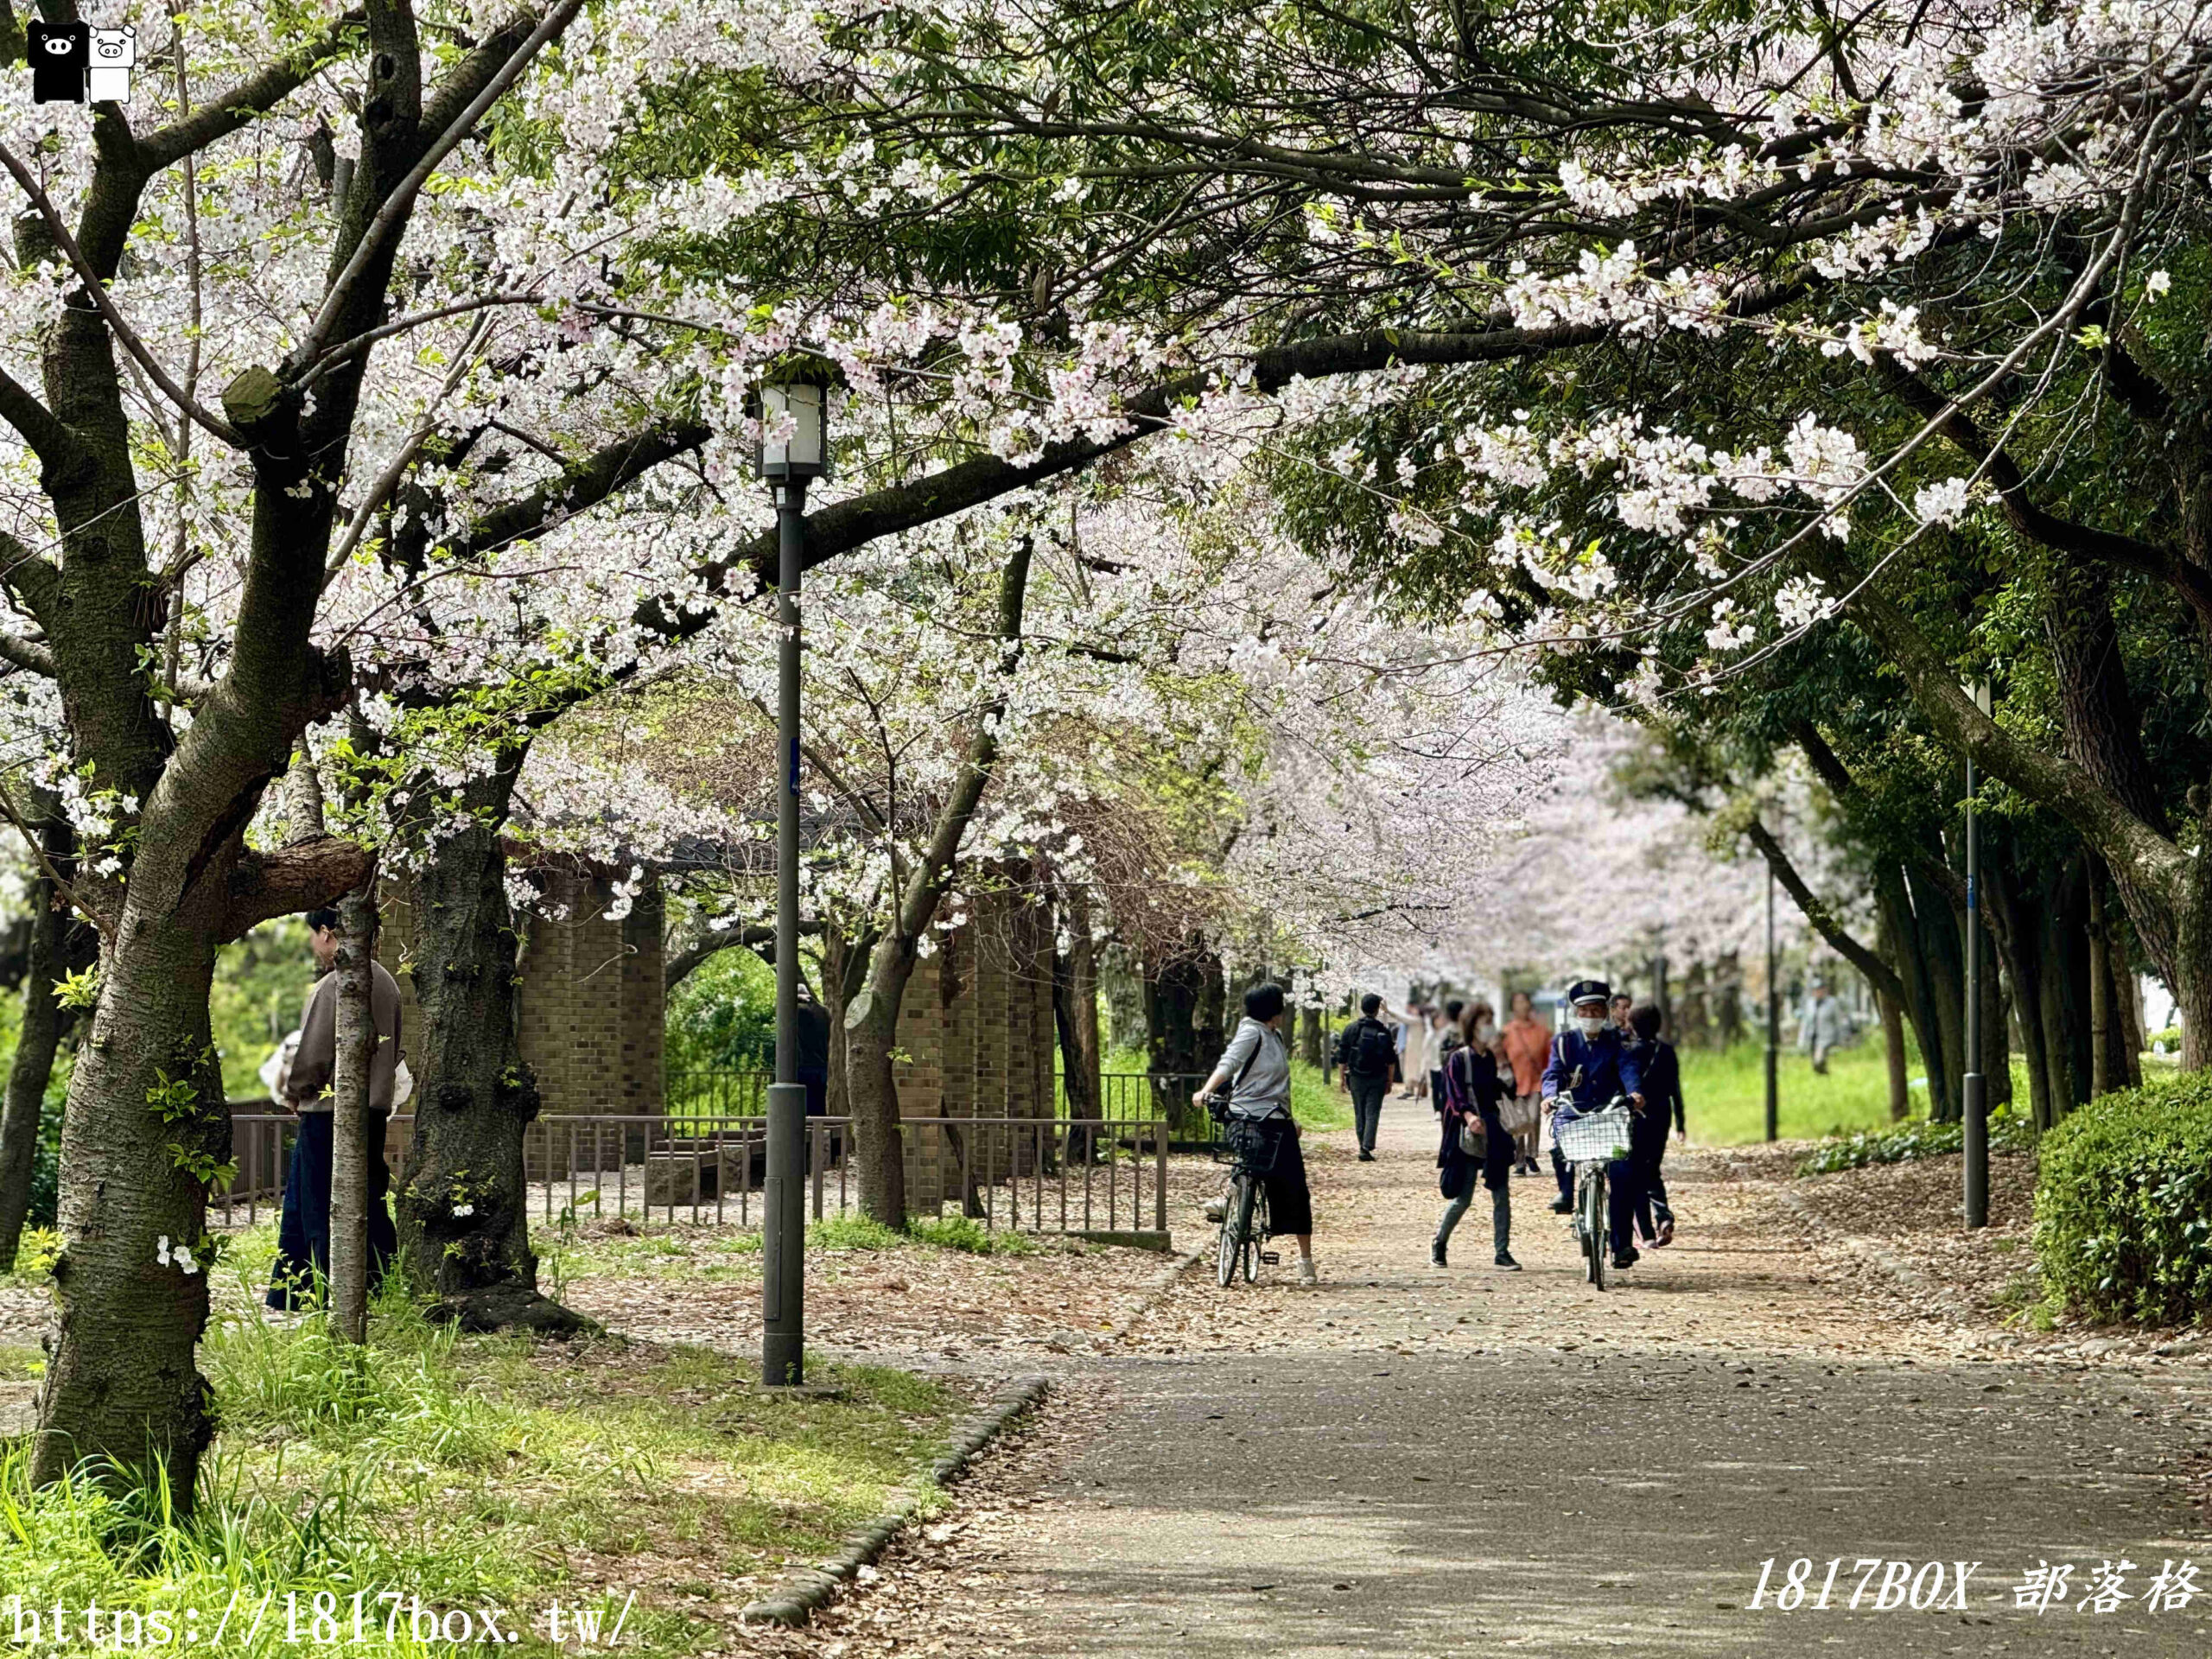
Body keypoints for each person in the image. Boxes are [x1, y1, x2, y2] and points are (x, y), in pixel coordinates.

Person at [267, 907, 404, 1311]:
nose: (312, 946)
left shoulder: (334, 986)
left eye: (312, 936)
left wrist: (295, 1093)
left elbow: (311, 1055)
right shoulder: (388, 983)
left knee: (313, 1203)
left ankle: (309, 1292)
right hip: (373, 1110)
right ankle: (379, 1283)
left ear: (326, 933)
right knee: (370, 1199)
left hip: (326, 1112)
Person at [1196, 983, 1318, 1284]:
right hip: (1245, 1116)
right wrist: (1207, 1090)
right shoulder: (1251, 1032)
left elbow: (1279, 1087)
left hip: (1277, 1118)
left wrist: (1291, 1118)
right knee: (1250, 1159)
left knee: (1295, 1189)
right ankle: (1234, 1196)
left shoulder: (1274, 1037)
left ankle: (1306, 1261)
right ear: (1275, 1010)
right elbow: (1230, 1062)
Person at [1541, 978, 1646, 1271]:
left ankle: (1621, 1243)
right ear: (1576, 1013)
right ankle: (1565, 1193)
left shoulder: (1617, 1042)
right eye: (1585, 1011)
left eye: (1597, 1009)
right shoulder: (1563, 1043)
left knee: (1623, 1171)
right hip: (1573, 1113)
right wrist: (1549, 1097)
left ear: (1607, 1012)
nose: (1591, 1016)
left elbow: (1628, 1068)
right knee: (1560, 1150)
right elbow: (1552, 1074)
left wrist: (1635, 1092)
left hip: (1608, 1115)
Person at [1433, 1000, 1520, 1270]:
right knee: (1463, 1198)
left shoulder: (1491, 1058)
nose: (1490, 1028)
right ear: (1472, 1026)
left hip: (1494, 1131)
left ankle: (1502, 1251)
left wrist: (1505, 1065)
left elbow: (1503, 1089)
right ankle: (1439, 1242)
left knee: (1501, 1193)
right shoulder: (1458, 1058)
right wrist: (1470, 1117)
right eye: (1485, 1022)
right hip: (1468, 1134)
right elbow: (1454, 1094)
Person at [1624, 1001, 1685, 1246]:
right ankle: (1663, 1216)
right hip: (1662, 1115)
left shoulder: (1629, 1051)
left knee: (1637, 1172)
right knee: (1653, 1169)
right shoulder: (1666, 1051)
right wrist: (1681, 1123)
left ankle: (1647, 1232)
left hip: (1638, 1116)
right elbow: (1676, 1090)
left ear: (1633, 1024)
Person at [1334, 993, 1402, 1160]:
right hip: (1378, 1077)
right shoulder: (1382, 1030)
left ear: (1362, 1007)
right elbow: (1391, 1060)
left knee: (1359, 1112)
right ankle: (1367, 1144)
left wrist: (1341, 1079)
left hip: (1356, 1077)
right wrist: (1390, 1081)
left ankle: (1362, 1147)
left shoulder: (1351, 1029)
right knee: (1372, 1111)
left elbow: (1342, 1056)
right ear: (1377, 1009)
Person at [1500, 990, 1550, 1176]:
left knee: (1534, 1118)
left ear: (1530, 1005)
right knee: (1520, 1121)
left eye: (1524, 1001)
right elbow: (1500, 1056)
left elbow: (1548, 1058)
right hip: (1515, 1083)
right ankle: (1519, 1160)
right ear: (1512, 1007)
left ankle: (1531, 1154)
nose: (1521, 1006)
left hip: (1536, 1080)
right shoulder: (1507, 1032)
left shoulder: (1542, 1031)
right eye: (1517, 1002)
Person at [1800, 978, 1853, 1073]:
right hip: (1813, 1036)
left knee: (1819, 1059)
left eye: (1820, 989)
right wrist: (1801, 1039)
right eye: (1816, 990)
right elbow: (1805, 1022)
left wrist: (1842, 1038)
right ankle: (1823, 1076)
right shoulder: (1810, 1003)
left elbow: (1838, 1021)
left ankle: (1824, 1074)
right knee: (1816, 1063)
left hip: (1827, 1037)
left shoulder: (1832, 1003)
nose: (1818, 992)